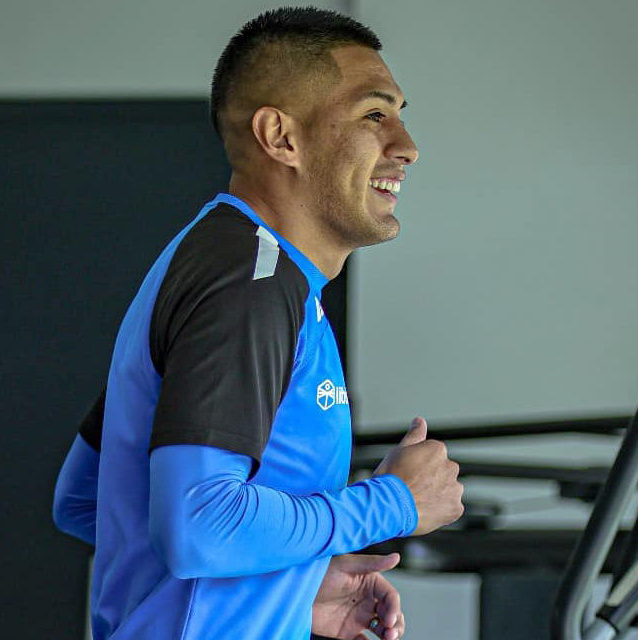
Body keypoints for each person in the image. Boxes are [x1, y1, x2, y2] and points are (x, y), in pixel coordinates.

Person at [52, 7, 464, 640]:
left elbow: (87, 499)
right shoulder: (251, 282)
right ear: (281, 137)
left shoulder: (248, 271)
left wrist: (291, 584)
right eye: (374, 115)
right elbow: (198, 527)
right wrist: (394, 503)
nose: (407, 146)